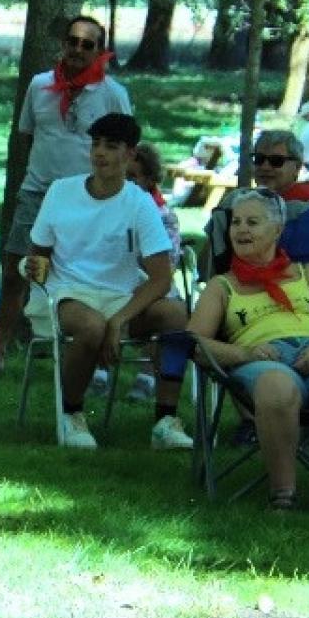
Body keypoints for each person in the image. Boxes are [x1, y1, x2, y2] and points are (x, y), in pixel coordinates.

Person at [188, 188, 309, 517]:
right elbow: (194, 342)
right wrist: (246, 354)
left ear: (277, 230)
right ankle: (283, 494)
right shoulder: (223, 285)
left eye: (253, 222)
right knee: (278, 388)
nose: (241, 230)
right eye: (236, 223)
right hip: (262, 360)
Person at [22, 113, 183, 450]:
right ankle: (71, 415)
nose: (100, 153)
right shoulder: (61, 191)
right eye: (95, 144)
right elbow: (38, 252)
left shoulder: (139, 202)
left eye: (111, 146)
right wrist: (33, 267)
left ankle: (165, 420)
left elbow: (161, 277)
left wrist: (120, 318)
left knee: (176, 316)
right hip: (64, 292)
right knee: (93, 327)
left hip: (119, 298)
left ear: (130, 154)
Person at [0, 15, 133, 365]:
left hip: (87, 199)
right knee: (15, 271)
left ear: (100, 51)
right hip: (37, 192)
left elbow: (126, 143)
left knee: (83, 273)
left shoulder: (113, 94)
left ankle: (85, 352)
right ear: (63, 44)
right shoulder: (39, 85)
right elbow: (25, 136)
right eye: (72, 41)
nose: (78, 49)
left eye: (88, 44)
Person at [117, 144, 195, 428]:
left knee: (169, 312)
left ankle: (150, 378)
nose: (127, 183)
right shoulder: (110, 208)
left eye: (133, 177)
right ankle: (99, 372)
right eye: (123, 177)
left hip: (149, 287)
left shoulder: (164, 217)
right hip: (114, 288)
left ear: (149, 181)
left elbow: (164, 267)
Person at [251, 130, 309, 204]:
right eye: (259, 159)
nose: (265, 167)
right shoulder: (248, 200)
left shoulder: (305, 206)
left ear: (297, 167)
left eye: (276, 160)